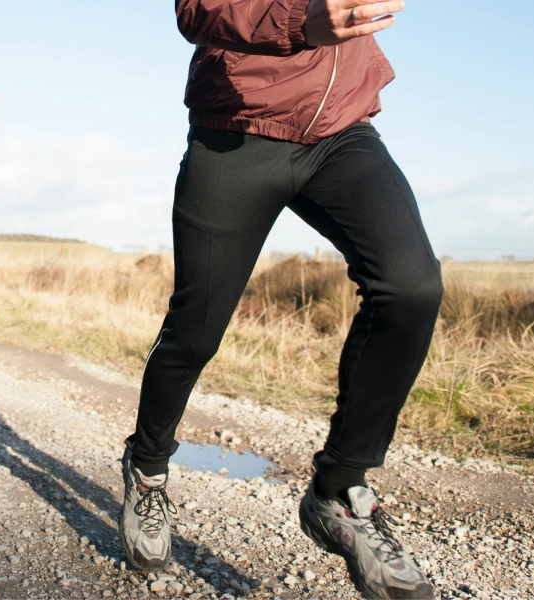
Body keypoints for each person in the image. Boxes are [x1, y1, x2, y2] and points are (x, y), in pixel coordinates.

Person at [118, 1, 439, 598]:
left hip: (340, 133)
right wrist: (300, 22)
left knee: (411, 286)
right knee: (196, 330)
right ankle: (148, 467)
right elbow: (197, 9)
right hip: (236, 135)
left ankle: (340, 492)